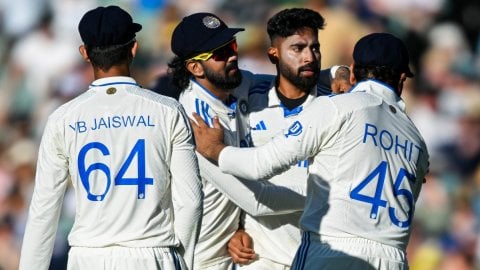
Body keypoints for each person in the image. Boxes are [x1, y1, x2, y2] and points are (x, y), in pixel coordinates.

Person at [191, 32, 429, 269]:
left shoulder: (338, 107)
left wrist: (217, 150)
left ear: (353, 70)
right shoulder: (418, 141)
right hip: (394, 259)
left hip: (332, 250)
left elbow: (261, 164)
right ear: (401, 79)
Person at [19, 6, 202, 270]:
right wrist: (180, 262)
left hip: (87, 257)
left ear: (85, 53)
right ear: (134, 49)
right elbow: (190, 202)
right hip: (151, 253)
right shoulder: (168, 110)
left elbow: (43, 210)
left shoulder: (62, 118)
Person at [200, 8, 329, 269]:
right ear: (274, 54)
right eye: (297, 48)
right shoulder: (251, 96)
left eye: (314, 48)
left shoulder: (334, 107)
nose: (309, 57)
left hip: (316, 256)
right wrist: (236, 229)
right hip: (260, 258)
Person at [168, 12, 271, 270]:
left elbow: (287, 82)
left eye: (232, 46)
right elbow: (254, 200)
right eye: (220, 53)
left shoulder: (233, 82)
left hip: (227, 253)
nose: (232, 56)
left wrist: (335, 73)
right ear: (194, 67)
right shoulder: (195, 122)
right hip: (197, 258)